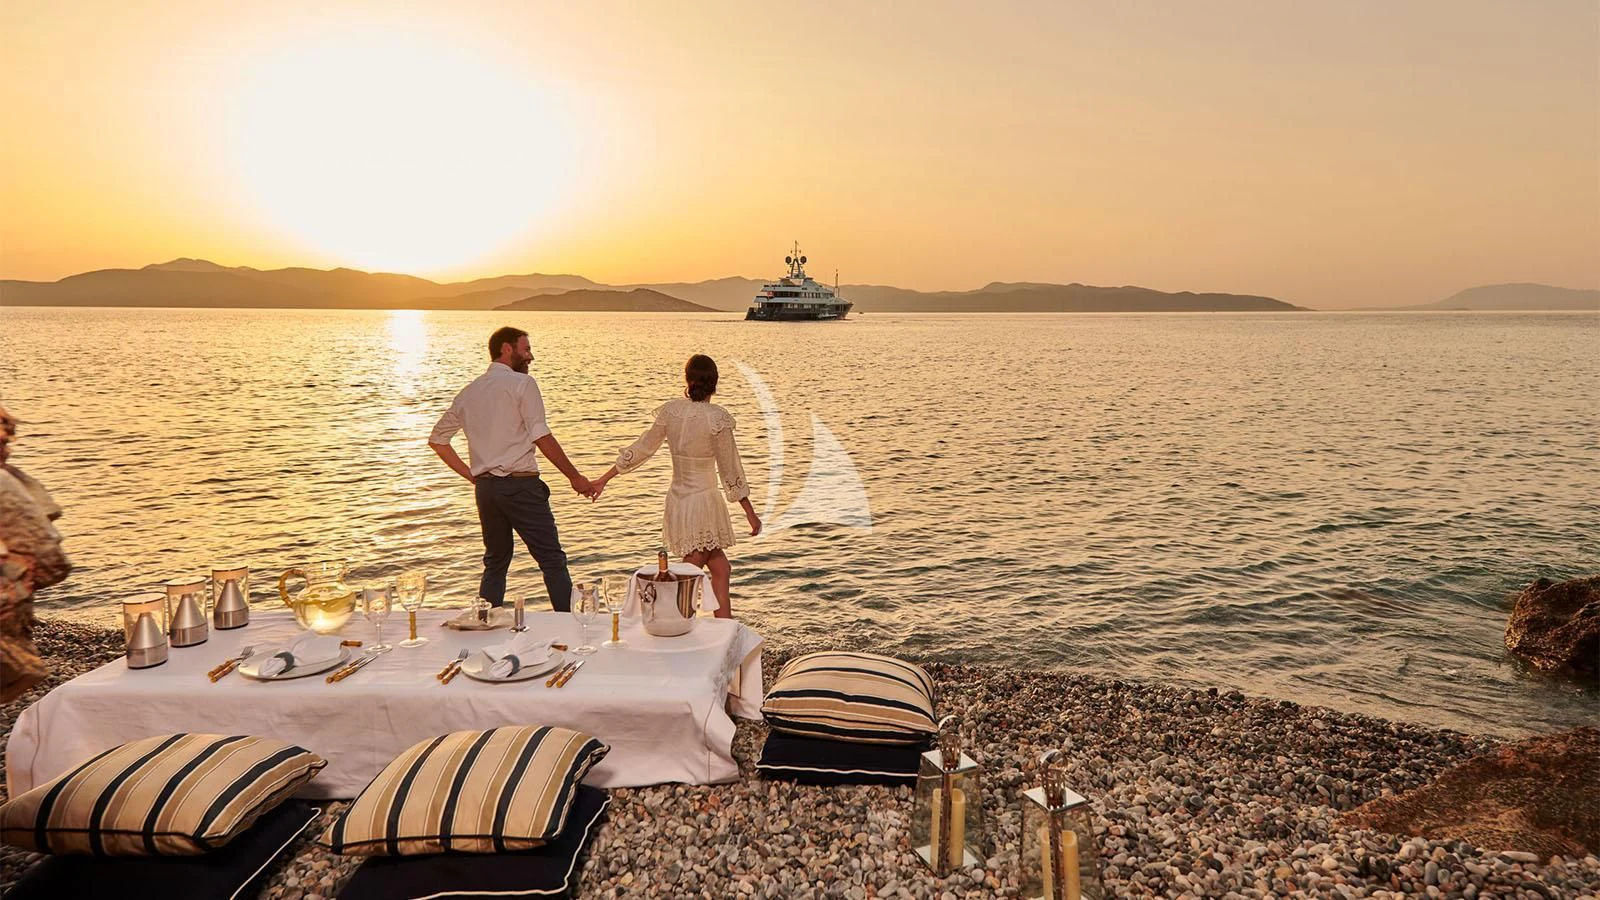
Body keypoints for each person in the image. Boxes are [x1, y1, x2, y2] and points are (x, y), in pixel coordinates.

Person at [428, 327, 596, 611]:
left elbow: (438, 440)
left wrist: (473, 475)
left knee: (495, 561)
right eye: (526, 349)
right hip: (520, 487)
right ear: (507, 349)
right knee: (552, 560)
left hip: (486, 490)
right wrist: (575, 477)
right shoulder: (522, 384)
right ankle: (569, 625)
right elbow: (540, 435)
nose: (530, 356)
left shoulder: (470, 392)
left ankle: (486, 624)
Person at [592, 354, 760, 618]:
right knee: (690, 570)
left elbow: (642, 448)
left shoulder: (671, 411)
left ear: (688, 380)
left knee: (720, 569)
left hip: (679, 501)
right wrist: (749, 512)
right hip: (704, 502)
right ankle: (664, 621)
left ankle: (727, 633)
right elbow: (730, 470)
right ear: (714, 384)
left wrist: (604, 478)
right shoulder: (717, 418)